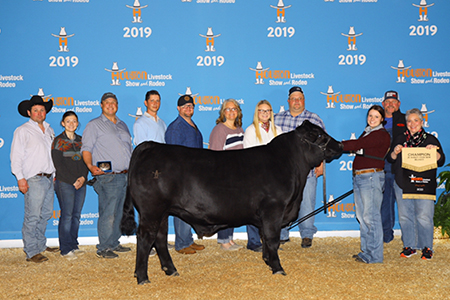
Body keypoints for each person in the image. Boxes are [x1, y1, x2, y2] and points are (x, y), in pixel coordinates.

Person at [388, 108, 445, 260]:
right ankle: (409, 246)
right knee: (405, 216)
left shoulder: (430, 139)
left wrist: (435, 152)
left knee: (424, 216)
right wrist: (395, 151)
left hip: (424, 185)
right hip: (402, 183)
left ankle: (427, 247)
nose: (412, 124)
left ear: (421, 122)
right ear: (406, 123)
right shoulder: (400, 138)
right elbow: (390, 158)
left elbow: (441, 160)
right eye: (409, 121)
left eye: (415, 120)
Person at [81, 92, 133, 259]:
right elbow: (86, 148)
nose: (111, 105)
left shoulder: (123, 124)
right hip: (108, 176)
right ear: (101, 105)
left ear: (117, 105)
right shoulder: (94, 125)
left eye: (114, 102)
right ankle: (103, 247)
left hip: (125, 175)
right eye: (107, 103)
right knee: (108, 212)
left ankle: (113, 243)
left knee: (119, 212)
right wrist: (90, 166)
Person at [11, 95, 59, 263]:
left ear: (45, 112)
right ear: (29, 112)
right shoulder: (22, 130)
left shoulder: (49, 129)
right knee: (33, 215)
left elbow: (51, 155)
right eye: (36, 110)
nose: (39, 113)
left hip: (48, 178)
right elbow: (16, 156)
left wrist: (54, 175)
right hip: (33, 178)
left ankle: (40, 244)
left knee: (45, 214)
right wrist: (20, 178)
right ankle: (31, 251)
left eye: (42, 110)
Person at [275, 86, 325, 248]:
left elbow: (322, 144)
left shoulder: (314, 119)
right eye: (294, 98)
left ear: (304, 100)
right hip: (283, 173)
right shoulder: (276, 119)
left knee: (307, 203)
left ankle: (307, 234)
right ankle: (282, 233)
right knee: (283, 203)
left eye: (300, 98)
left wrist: (321, 164)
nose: (297, 101)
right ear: (288, 101)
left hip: (307, 171)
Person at [342, 105, 391, 263]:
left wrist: (337, 145)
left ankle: (375, 256)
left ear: (382, 119)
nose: (372, 119)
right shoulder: (367, 132)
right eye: (370, 115)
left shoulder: (380, 134)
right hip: (361, 177)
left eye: (376, 116)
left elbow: (356, 145)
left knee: (371, 217)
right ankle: (366, 251)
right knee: (363, 216)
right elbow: (360, 147)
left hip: (371, 177)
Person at [165, 94, 205, 255]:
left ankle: (187, 239)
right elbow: (174, 154)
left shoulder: (192, 124)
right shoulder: (176, 127)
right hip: (182, 175)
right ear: (178, 108)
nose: (188, 108)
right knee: (181, 207)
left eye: (191, 106)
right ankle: (181, 244)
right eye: (185, 106)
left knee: (189, 208)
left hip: (194, 175)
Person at [243, 100, 282, 252]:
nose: (265, 114)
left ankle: (271, 241)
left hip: (274, 178)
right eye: (261, 110)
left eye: (268, 111)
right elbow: (248, 155)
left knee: (272, 210)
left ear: (271, 113)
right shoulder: (251, 130)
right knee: (253, 209)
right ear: (257, 112)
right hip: (256, 176)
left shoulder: (277, 130)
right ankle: (253, 242)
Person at [51, 111, 89, 260]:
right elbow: (58, 165)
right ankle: (65, 248)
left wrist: (83, 178)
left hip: (81, 182)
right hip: (65, 183)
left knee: (76, 215)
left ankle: (73, 244)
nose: (71, 124)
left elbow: (86, 160)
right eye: (68, 121)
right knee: (67, 215)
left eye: (74, 121)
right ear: (63, 123)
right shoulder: (58, 141)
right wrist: (74, 179)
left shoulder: (82, 140)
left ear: (77, 123)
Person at [209, 98, 245, 251]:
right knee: (225, 209)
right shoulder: (219, 129)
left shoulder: (239, 129)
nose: (231, 112)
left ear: (238, 112)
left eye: (234, 109)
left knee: (233, 209)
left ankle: (229, 239)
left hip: (238, 175)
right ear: (223, 113)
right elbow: (215, 155)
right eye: (228, 109)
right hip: (224, 175)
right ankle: (223, 240)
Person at [381, 90, 406, 243]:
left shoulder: (406, 120)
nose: (390, 104)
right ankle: (386, 235)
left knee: (406, 204)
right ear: (383, 104)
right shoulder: (377, 120)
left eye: (393, 102)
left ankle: (409, 238)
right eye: (387, 102)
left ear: (398, 104)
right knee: (385, 203)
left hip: (402, 167)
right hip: (383, 167)